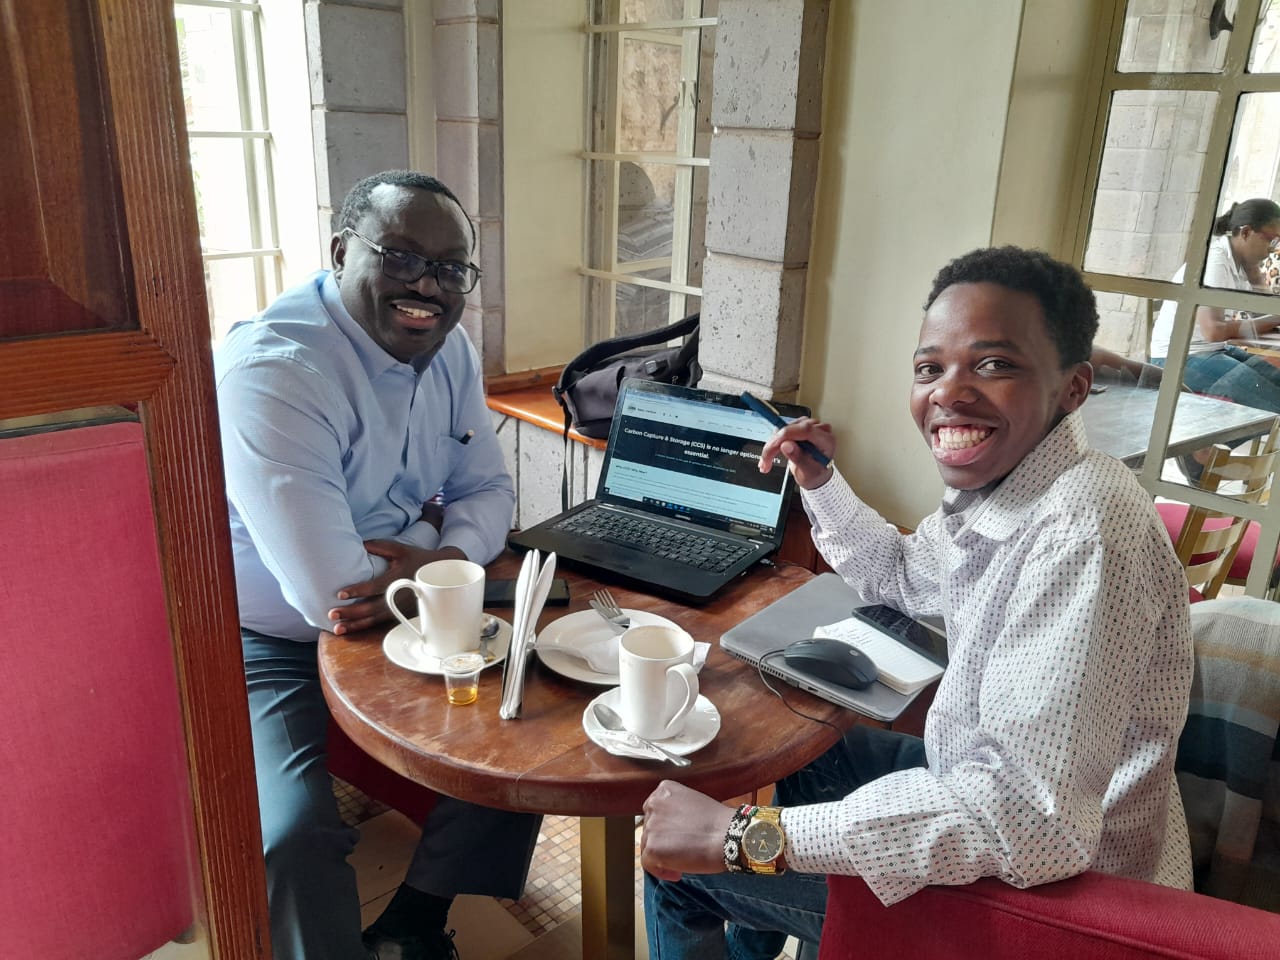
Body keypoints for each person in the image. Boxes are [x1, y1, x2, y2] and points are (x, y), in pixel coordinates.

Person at [640, 246, 1194, 958]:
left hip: (1055, 899)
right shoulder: (1010, 488)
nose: (949, 392)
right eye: (931, 368)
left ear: (1073, 387)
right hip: (993, 803)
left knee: (683, 872)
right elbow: (903, 574)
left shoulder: (1082, 530)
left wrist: (745, 838)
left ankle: (758, 884)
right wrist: (819, 482)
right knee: (809, 758)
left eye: (994, 364)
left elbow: (1027, 820)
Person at [215, 170, 539, 960]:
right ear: (339, 252)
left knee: (529, 726)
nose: (427, 285)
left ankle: (413, 925)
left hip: (411, 604)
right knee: (288, 836)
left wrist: (439, 554)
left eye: (450, 267)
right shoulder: (275, 371)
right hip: (275, 639)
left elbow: (491, 490)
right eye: (400, 256)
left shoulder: (450, 349)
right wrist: (431, 537)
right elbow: (333, 592)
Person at [1149, 198, 1280, 411]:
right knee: (1272, 402)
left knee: (1276, 382)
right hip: (1179, 357)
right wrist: (1275, 318)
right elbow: (1214, 331)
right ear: (1246, 232)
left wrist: (1256, 278)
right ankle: (1223, 431)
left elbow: (1260, 313)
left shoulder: (1240, 262)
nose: (1272, 250)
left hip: (1212, 350)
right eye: (1272, 241)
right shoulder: (1215, 261)